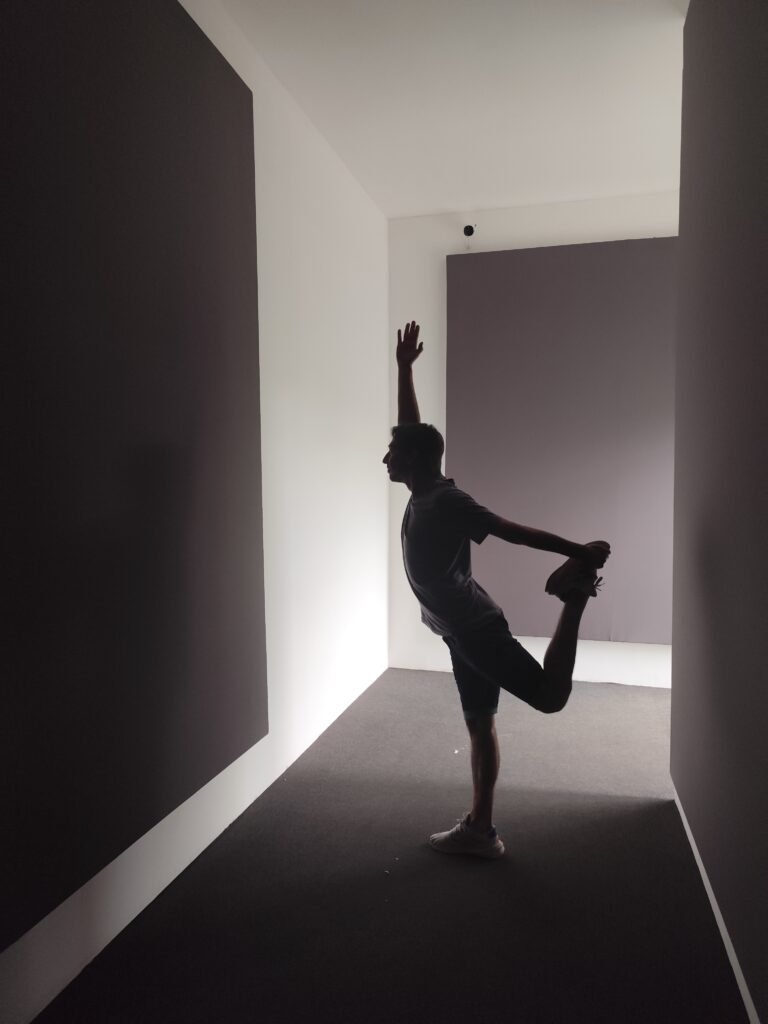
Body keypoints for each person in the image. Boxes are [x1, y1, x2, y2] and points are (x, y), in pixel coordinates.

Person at [384, 321, 611, 860]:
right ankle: (481, 830)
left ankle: (575, 597)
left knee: (550, 698)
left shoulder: (445, 501)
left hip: (475, 629)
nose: (385, 458)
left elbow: (509, 530)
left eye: (392, 452)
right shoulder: (422, 487)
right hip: (457, 631)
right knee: (479, 722)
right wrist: (404, 370)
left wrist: (578, 553)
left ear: (412, 460)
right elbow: (412, 430)